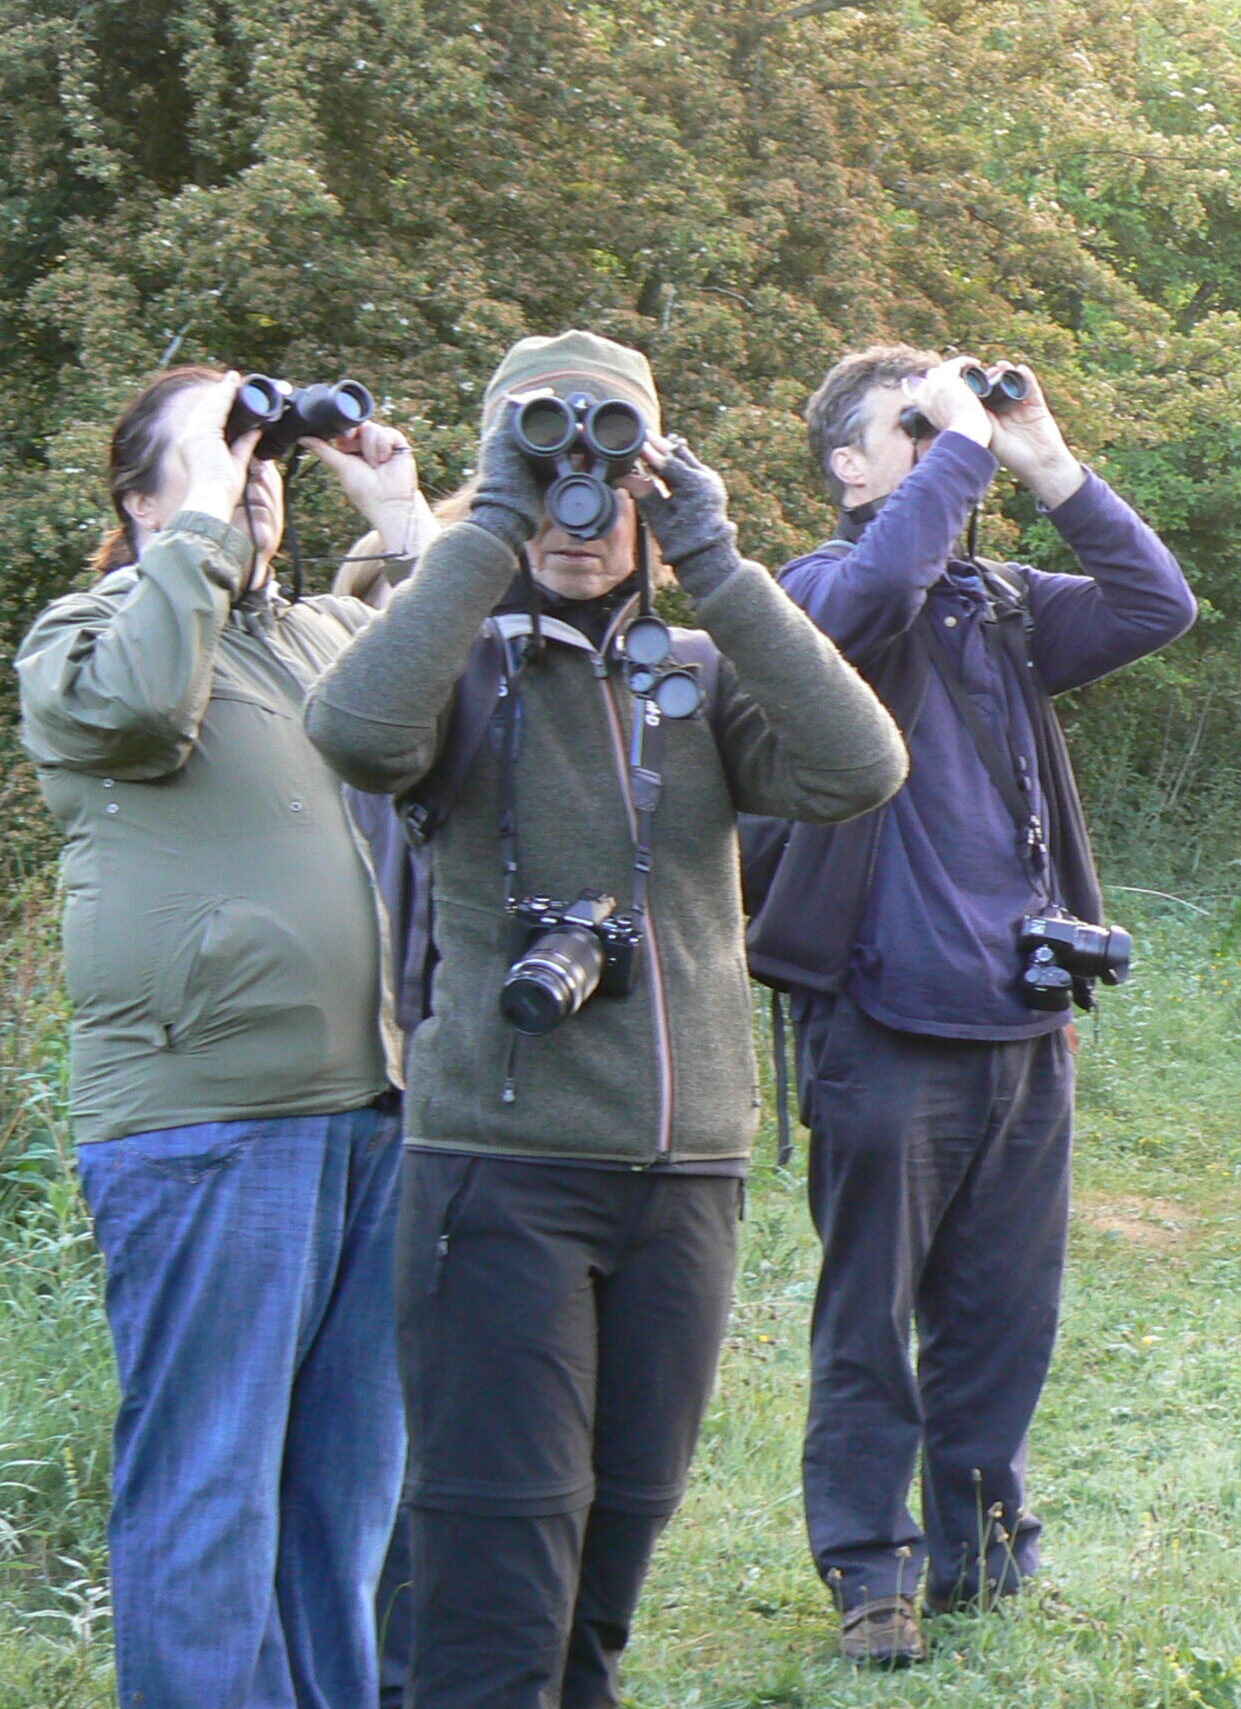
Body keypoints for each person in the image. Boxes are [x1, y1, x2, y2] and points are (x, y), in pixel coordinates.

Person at [303, 329, 908, 1709]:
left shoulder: (698, 667)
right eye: (552, 478)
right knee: (491, 1583)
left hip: (682, 1176)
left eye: (613, 479)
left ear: (656, 487)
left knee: (606, 1577)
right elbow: (352, 732)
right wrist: (489, 518)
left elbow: (859, 764)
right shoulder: (449, 665)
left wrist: (718, 560)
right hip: (501, 1181)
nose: (585, 514)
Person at [745, 345, 1197, 1664]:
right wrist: (957, 444)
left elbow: (1153, 601)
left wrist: (1044, 458)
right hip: (883, 1025)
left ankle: (981, 1553)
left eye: (953, 423)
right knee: (869, 1322)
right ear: (849, 465)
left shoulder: (997, 606)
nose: (953, 439)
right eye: (912, 425)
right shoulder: (815, 591)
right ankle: (869, 1571)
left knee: (1004, 1317)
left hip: (1020, 1023)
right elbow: (880, 580)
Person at [15, 365, 426, 1709]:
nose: (251, 486)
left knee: (342, 1495)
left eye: (263, 472)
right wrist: (196, 511)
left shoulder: (311, 634)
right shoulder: (82, 635)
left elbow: (463, 707)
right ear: (137, 500)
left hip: (368, 1109)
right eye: (210, 464)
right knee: (209, 1480)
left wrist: (408, 519)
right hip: (204, 1120)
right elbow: (141, 710)